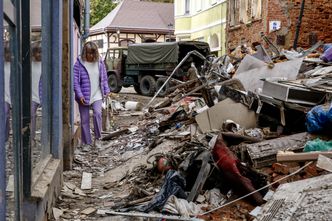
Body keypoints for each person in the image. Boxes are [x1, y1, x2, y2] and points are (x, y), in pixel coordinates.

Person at [73, 41, 110, 149]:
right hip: (84, 95)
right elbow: (75, 82)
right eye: (89, 53)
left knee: (97, 114)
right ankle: (86, 143)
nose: (91, 55)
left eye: (93, 53)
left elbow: (104, 78)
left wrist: (107, 90)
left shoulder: (100, 62)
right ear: (85, 52)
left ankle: (98, 139)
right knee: (84, 120)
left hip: (97, 94)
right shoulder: (79, 64)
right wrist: (80, 95)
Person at [31, 41, 42, 143]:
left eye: (41, 52)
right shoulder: (29, 65)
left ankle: (46, 138)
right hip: (33, 96)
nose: (40, 54)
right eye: (37, 52)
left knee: (48, 117)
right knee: (31, 115)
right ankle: (32, 137)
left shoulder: (46, 65)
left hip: (44, 96)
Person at [4, 42, 11, 143]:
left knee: (7, 116)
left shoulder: (14, 65)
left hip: (11, 96)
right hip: (4, 96)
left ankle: (6, 139)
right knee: (5, 115)